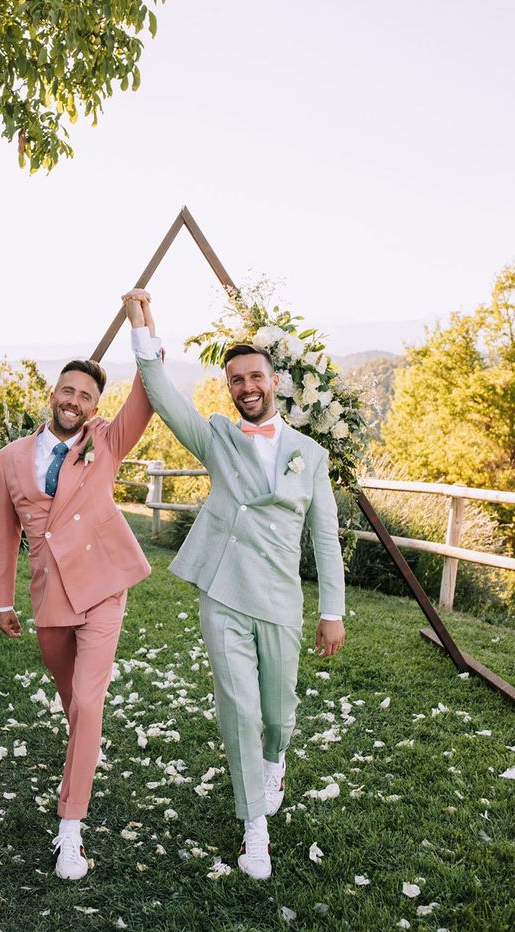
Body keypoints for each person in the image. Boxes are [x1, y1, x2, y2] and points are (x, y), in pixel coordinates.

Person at [123, 290, 346, 880]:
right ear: (228, 388)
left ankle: (275, 760)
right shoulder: (217, 437)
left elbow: (325, 539)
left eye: (255, 377)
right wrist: (143, 330)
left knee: (277, 712)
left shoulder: (311, 455)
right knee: (239, 710)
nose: (246, 387)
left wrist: (333, 610)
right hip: (222, 590)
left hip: (279, 600)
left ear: (275, 382)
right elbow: (167, 400)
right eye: (235, 380)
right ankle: (254, 827)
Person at [0, 358, 153, 880]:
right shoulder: (12, 457)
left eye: (86, 396)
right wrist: (2, 600)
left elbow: (146, 396)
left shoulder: (105, 441)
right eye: (68, 390)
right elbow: (3, 531)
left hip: (104, 586)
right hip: (50, 597)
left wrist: (140, 320)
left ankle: (70, 828)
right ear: (53, 393)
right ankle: (85, 755)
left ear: (96, 407)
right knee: (75, 708)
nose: (74, 401)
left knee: (87, 700)